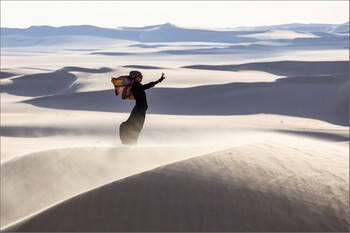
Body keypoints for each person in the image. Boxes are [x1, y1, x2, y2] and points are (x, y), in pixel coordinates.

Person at [119, 71, 166, 145]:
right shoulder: (135, 86)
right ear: (135, 77)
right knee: (136, 127)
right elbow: (146, 86)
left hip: (140, 109)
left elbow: (143, 87)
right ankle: (130, 143)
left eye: (142, 76)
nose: (142, 78)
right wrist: (158, 81)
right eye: (140, 76)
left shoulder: (136, 85)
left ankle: (131, 143)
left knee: (137, 128)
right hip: (139, 110)